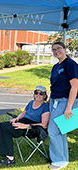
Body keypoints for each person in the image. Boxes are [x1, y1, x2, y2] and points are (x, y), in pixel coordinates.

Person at [0, 85, 50, 166]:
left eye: (41, 93)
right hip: (23, 121)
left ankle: (10, 159)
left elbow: (44, 125)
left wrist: (25, 126)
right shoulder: (31, 102)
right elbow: (23, 113)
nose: (38, 95)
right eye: (36, 92)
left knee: (5, 129)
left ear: (45, 95)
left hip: (32, 128)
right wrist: (16, 119)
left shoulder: (45, 107)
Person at [48, 42, 78, 170]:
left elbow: (75, 86)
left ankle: (59, 160)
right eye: (54, 49)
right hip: (54, 101)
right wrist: (50, 98)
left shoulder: (70, 64)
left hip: (65, 101)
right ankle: (63, 159)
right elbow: (54, 85)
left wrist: (69, 106)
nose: (56, 51)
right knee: (60, 131)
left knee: (53, 130)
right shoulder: (55, 67)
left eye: (59, 48)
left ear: (65, 49)